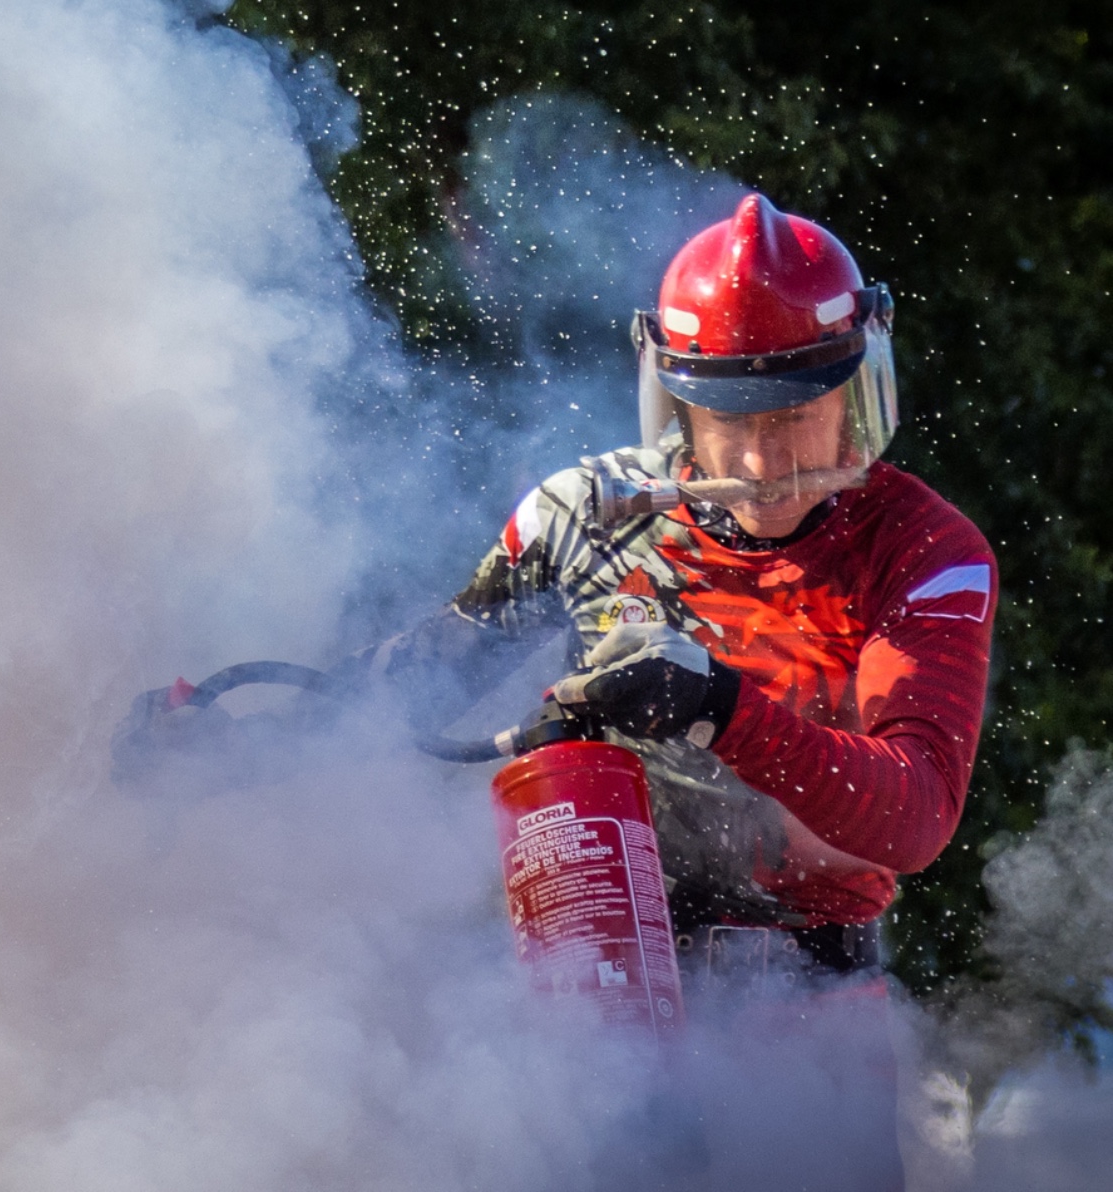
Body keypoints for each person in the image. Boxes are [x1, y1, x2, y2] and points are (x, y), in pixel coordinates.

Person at [121, 194, 996, 1187]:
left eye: (795, 416)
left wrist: (717, 706)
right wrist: (236, 751)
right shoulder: (585, 518)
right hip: (595, 996)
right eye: (726, 421)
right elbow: (415, 688)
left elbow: (916, 813)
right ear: (674, 404)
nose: (761, 463)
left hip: (809, 1015)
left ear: (856, 392)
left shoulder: (923, 550)